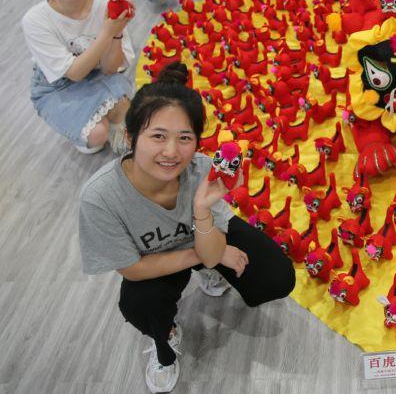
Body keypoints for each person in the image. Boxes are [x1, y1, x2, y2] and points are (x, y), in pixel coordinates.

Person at [78, 62, 296, 394]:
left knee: (276, 276)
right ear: (130, 137)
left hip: (200, 236)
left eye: (184, 138)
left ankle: (209, 268)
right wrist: (208, 256)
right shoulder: (100, 197)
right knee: (141, 304)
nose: (171, 152)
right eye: (157, 136)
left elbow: (211, 238)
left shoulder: (200, 171)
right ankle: (165, 344)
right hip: (156, 261)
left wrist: (201, 209)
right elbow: (132, 268)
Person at [21, 0, 133, 154]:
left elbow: (110, 69)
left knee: (126, 114)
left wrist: (117, 31)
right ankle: (83, 127)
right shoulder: (35, 20)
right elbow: (74, 73)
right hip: (57, 85)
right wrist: (108, 31)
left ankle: (96, 120)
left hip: (98, 72)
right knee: (97, 136)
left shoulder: (106, 5)